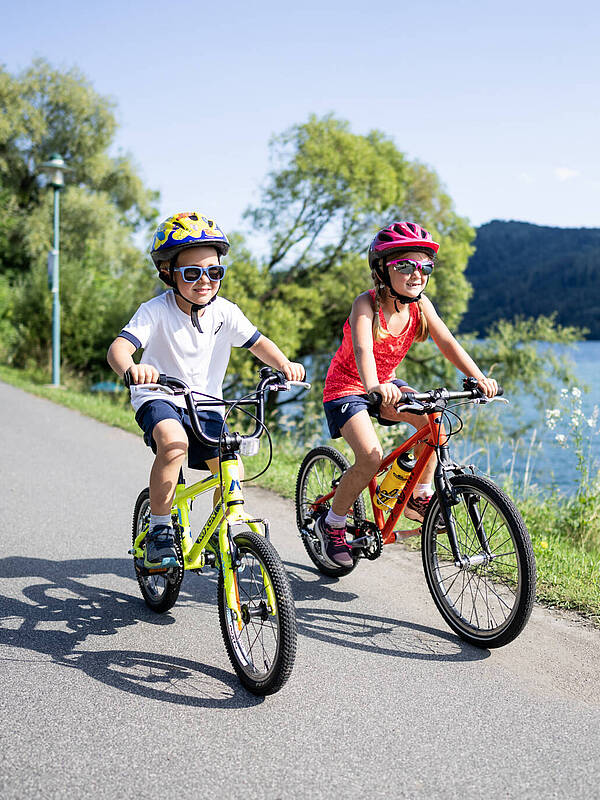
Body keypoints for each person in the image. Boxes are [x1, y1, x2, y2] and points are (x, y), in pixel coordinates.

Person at [107, 211, 304, 569]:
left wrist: (284, 364)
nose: (205, 281)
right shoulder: (154, 311)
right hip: (159, 396)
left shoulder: (225, 313)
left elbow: (258, 342)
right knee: (174, 444)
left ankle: (220, 532)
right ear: (168, 272)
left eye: (214, 272)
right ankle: (160, 529)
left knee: (232, 467)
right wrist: (133, 368)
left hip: (207, 405)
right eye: (192, 273)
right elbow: (118, 349)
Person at [319, 221, 498, 568]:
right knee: (370, 456)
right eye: (405, 265)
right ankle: (334, 524)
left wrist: (478, 377)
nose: (417, 274)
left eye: (424, 266)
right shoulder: (365, 304)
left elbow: (447, 342)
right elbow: (362, 349)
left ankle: (419, 494)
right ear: (382, 270)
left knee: (435, 427)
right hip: (348, 389)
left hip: (386, 384)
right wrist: (373, 386)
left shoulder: (420, 306)